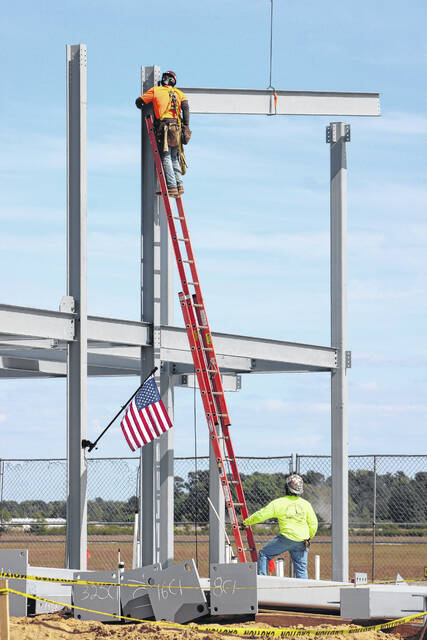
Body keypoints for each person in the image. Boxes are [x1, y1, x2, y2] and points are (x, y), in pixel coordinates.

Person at [243, 474, 318, 578]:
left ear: (287, 487)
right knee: (301, 568)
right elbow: (314, 523)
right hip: (302, 540)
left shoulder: (279, 503)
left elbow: (261, 514)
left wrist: (246, 522)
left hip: (286, 538)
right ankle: (303, 592)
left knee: (264, 554)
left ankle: (262, 583)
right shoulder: (306, 504)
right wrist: (309, 537)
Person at [135, 70, 190, 198]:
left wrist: (148, 106)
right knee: (174, 157)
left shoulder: (156, 91)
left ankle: (171, 187)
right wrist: (186, 126)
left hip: (165, 128)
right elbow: (186, 109)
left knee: (166, 156)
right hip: (177, 128)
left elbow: (139, 102)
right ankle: (179, 185)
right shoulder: (179, 93)